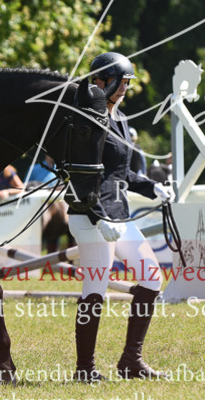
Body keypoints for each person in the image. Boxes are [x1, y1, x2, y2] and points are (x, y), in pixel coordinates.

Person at [67, 52, 173, 382]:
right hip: (89, 214)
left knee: (152, 277)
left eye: (128, 82)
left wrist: (151, 186)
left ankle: (131, 361)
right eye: (121, 82)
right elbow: (79, 174)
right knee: (95, 287)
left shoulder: (122, 121)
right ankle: (85, 369)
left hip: (119, 215)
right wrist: (99, 217)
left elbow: (122, 171)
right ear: (100, 82)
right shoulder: (85, 120)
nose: (125, 87)